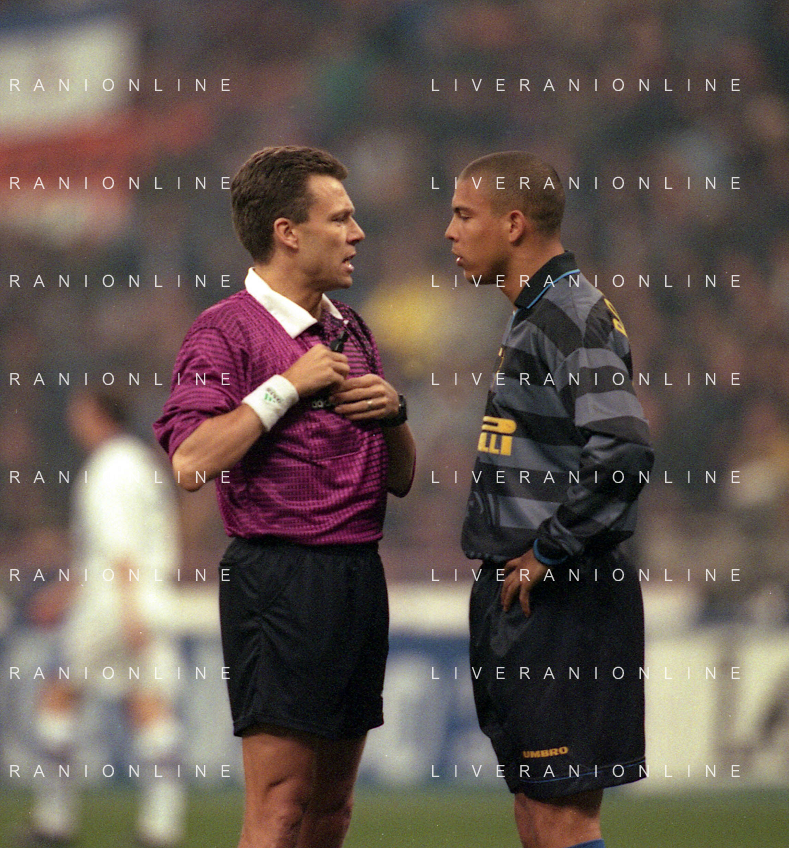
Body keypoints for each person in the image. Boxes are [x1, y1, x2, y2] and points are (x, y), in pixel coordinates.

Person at [153, 145, 415, 848]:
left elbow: (399, 479)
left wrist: (396, 415)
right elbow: (191, 459)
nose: (357, 233)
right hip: (278, 578)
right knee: (280, 806)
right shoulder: (224, 331)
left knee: (332, 809)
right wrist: (285, 388)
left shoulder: (351, 329)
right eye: (340, 218)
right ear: (287, 232)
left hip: (357, 574)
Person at [446, 151, 653, 848]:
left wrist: (546, 551)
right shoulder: (534, 313)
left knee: (563, 819)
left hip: (567, 598)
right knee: (536, 817)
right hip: (529, 597)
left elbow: (622, 449)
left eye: (463, 214)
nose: (449, 231)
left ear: (513, 224)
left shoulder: (569, 313)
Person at [18, 388, 186, 848]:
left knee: (58, 695)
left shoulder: (106, 469)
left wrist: (125, 609)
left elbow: (118, 548)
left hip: (114, 602)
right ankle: (162, 826)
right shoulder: (144, 466)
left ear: (97, 416)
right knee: (149, 704)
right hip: (152, 598)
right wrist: (65, 593)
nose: (73, 421)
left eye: (79, 412)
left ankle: (54, 818)